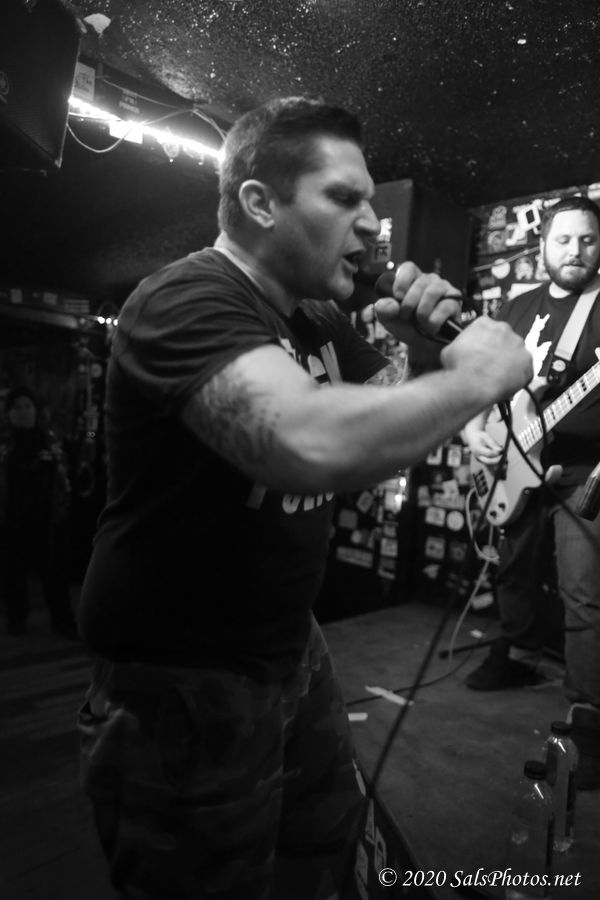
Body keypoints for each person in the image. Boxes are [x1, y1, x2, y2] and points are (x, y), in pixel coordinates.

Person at [77, 96, 532, 900]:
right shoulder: (186, 299)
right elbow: (309, 443)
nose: (372, 224)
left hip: (289, 641)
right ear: (260, 203)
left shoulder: (313, 317)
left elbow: (380, 414)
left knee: (329, 850)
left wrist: (429, 353)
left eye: (370, 201)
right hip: (183, 673)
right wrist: (475, 379)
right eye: (344, 198)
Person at [463, 195, 600, 790]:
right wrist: (474, 432)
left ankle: (588, 717)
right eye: (564, 240)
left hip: (584, 470)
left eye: (588, 240)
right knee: (512, 565)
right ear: (543, 245)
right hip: (515, 459)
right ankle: (518, 654)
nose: (576, 251)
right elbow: (481, 383)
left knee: (583, 591)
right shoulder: (518, 307)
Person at [0, 386, 77, 639]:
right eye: (16, 407)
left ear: (36, 409)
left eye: (27, 406)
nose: (23, 412)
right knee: (13, 574)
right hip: (12, 520)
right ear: (8, 413)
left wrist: (90, 432)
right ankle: (17, 619)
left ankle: (63, 620)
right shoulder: (4, 444)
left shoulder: (51, 438)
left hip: (46, 519)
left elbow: (84, 437)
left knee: (54, 574)